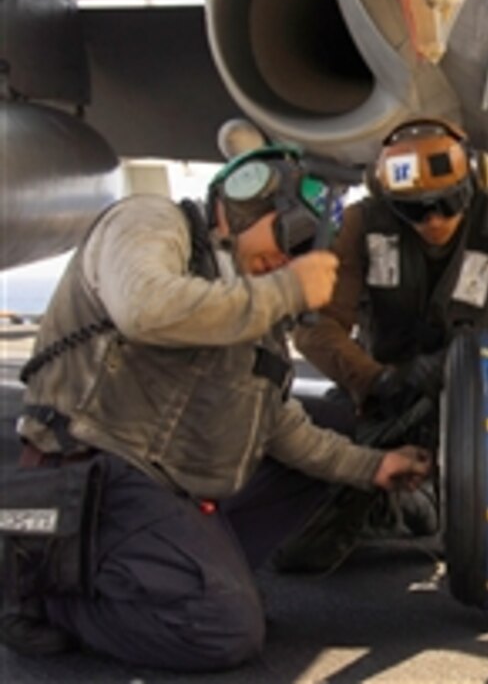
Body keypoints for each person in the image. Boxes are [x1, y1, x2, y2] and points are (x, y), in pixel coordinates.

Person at [0, 145, 431, 671]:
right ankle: (46, 592)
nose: (287, 260)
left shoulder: (245, 303)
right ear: (248, 202)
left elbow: (276, 425)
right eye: (290, 239)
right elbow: (145, 308)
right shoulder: (152, 224)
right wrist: (286, 290)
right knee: (222, 631)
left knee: (335, 423)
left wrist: (373, 466)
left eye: (301, 253)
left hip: (168, 487)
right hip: (97, 470)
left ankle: (193, 575)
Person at [276, 117, 488, 573]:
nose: (435, 220)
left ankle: (422, 499)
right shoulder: (363, 225)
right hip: (382, 397)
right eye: (416, 211)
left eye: (448, 202)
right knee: (299, 543)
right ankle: (399, 501)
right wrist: (376, 380)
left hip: (474, 403)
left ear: (473, 183)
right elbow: (316, 327)